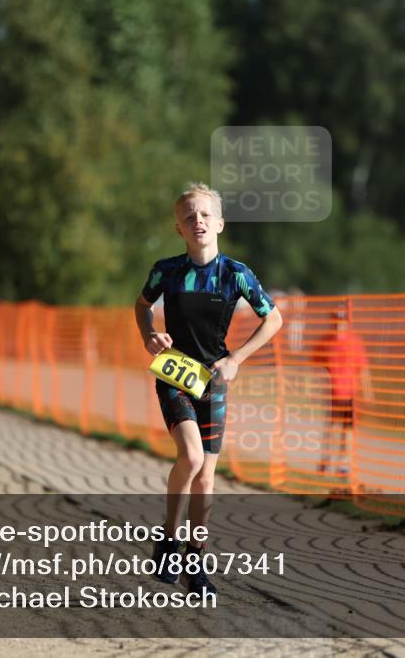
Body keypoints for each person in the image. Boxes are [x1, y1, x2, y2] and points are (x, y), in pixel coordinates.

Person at [135, 183, 283, 596]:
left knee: (207, 477)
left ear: (219, 223)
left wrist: (236, 358)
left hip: (213, 380)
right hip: (174, 374)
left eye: (203, 214)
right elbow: (142, 305)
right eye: (188, 216)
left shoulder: (236, 274)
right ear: (178, 229)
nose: (196, 221)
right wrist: (150, 335)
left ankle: (195, 563)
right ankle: (168, 538)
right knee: (192, 456)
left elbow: (273, 320)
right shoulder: (166, 270)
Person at [314, 309, 369, 476]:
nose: (339, 323)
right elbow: (316, 368)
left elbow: (363, 368)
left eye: (342, 319)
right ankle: (326, 460)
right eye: (336, 319)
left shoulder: (355, 342)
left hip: (350, 392)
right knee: (331, 427)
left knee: (347, 430)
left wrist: (367, 391)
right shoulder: (324, 342)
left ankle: (343, 463)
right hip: (332, 393)